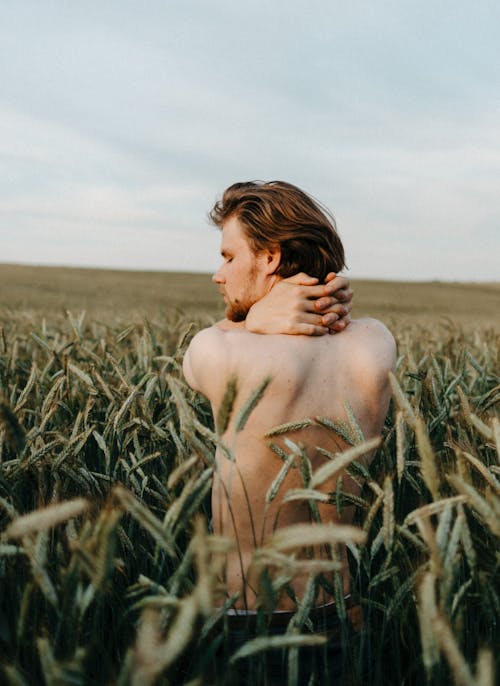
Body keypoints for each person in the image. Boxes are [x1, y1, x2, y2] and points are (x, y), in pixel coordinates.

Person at [182, 181, 396, 683]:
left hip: (248, 626)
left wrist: (254, 319)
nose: (218, 274)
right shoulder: (376, 344)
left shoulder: (222, 351)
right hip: (342, 617)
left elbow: (197, 356)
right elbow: (347, 326)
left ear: (270, 257)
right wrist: (311, 298)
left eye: (229, 256)